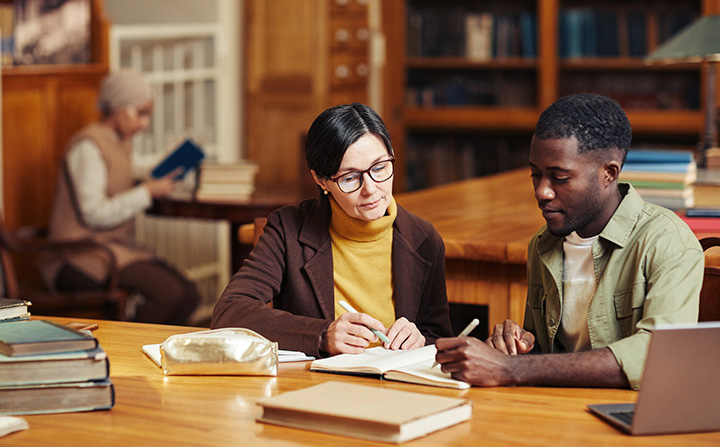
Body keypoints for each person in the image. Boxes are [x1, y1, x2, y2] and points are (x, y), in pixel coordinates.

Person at [435, 93, 704, 390]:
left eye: (559, 178)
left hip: (632, 417)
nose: (542, 192)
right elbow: (546, 358)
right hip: (560, 412)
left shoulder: (667, 242)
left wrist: (511, 367)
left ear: (609, 173)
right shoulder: (543, 244)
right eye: (535, 175)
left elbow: (659, 356)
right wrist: (519, 345)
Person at [212, 103, 452, 357]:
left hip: (396, 385)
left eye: (380, 168)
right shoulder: (288, 230)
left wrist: (421, 340)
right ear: (321, 180)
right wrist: (321, 335)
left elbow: (441, 339)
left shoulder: (424, 239)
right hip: (314, 386)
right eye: (350, 178)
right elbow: (230, 312)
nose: (370, 189)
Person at [41, 69, 200, 325]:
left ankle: (152, 349)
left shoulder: (121, 142)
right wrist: (146, 191)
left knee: (189, 294)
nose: (145, 123)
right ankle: (134, 350)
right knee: (170, 295)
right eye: (140, 113)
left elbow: (115, 186)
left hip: (109, 249)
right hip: (77, 255)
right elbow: (93, 214)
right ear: (117, 107)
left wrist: (148, 182)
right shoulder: (88, 147)